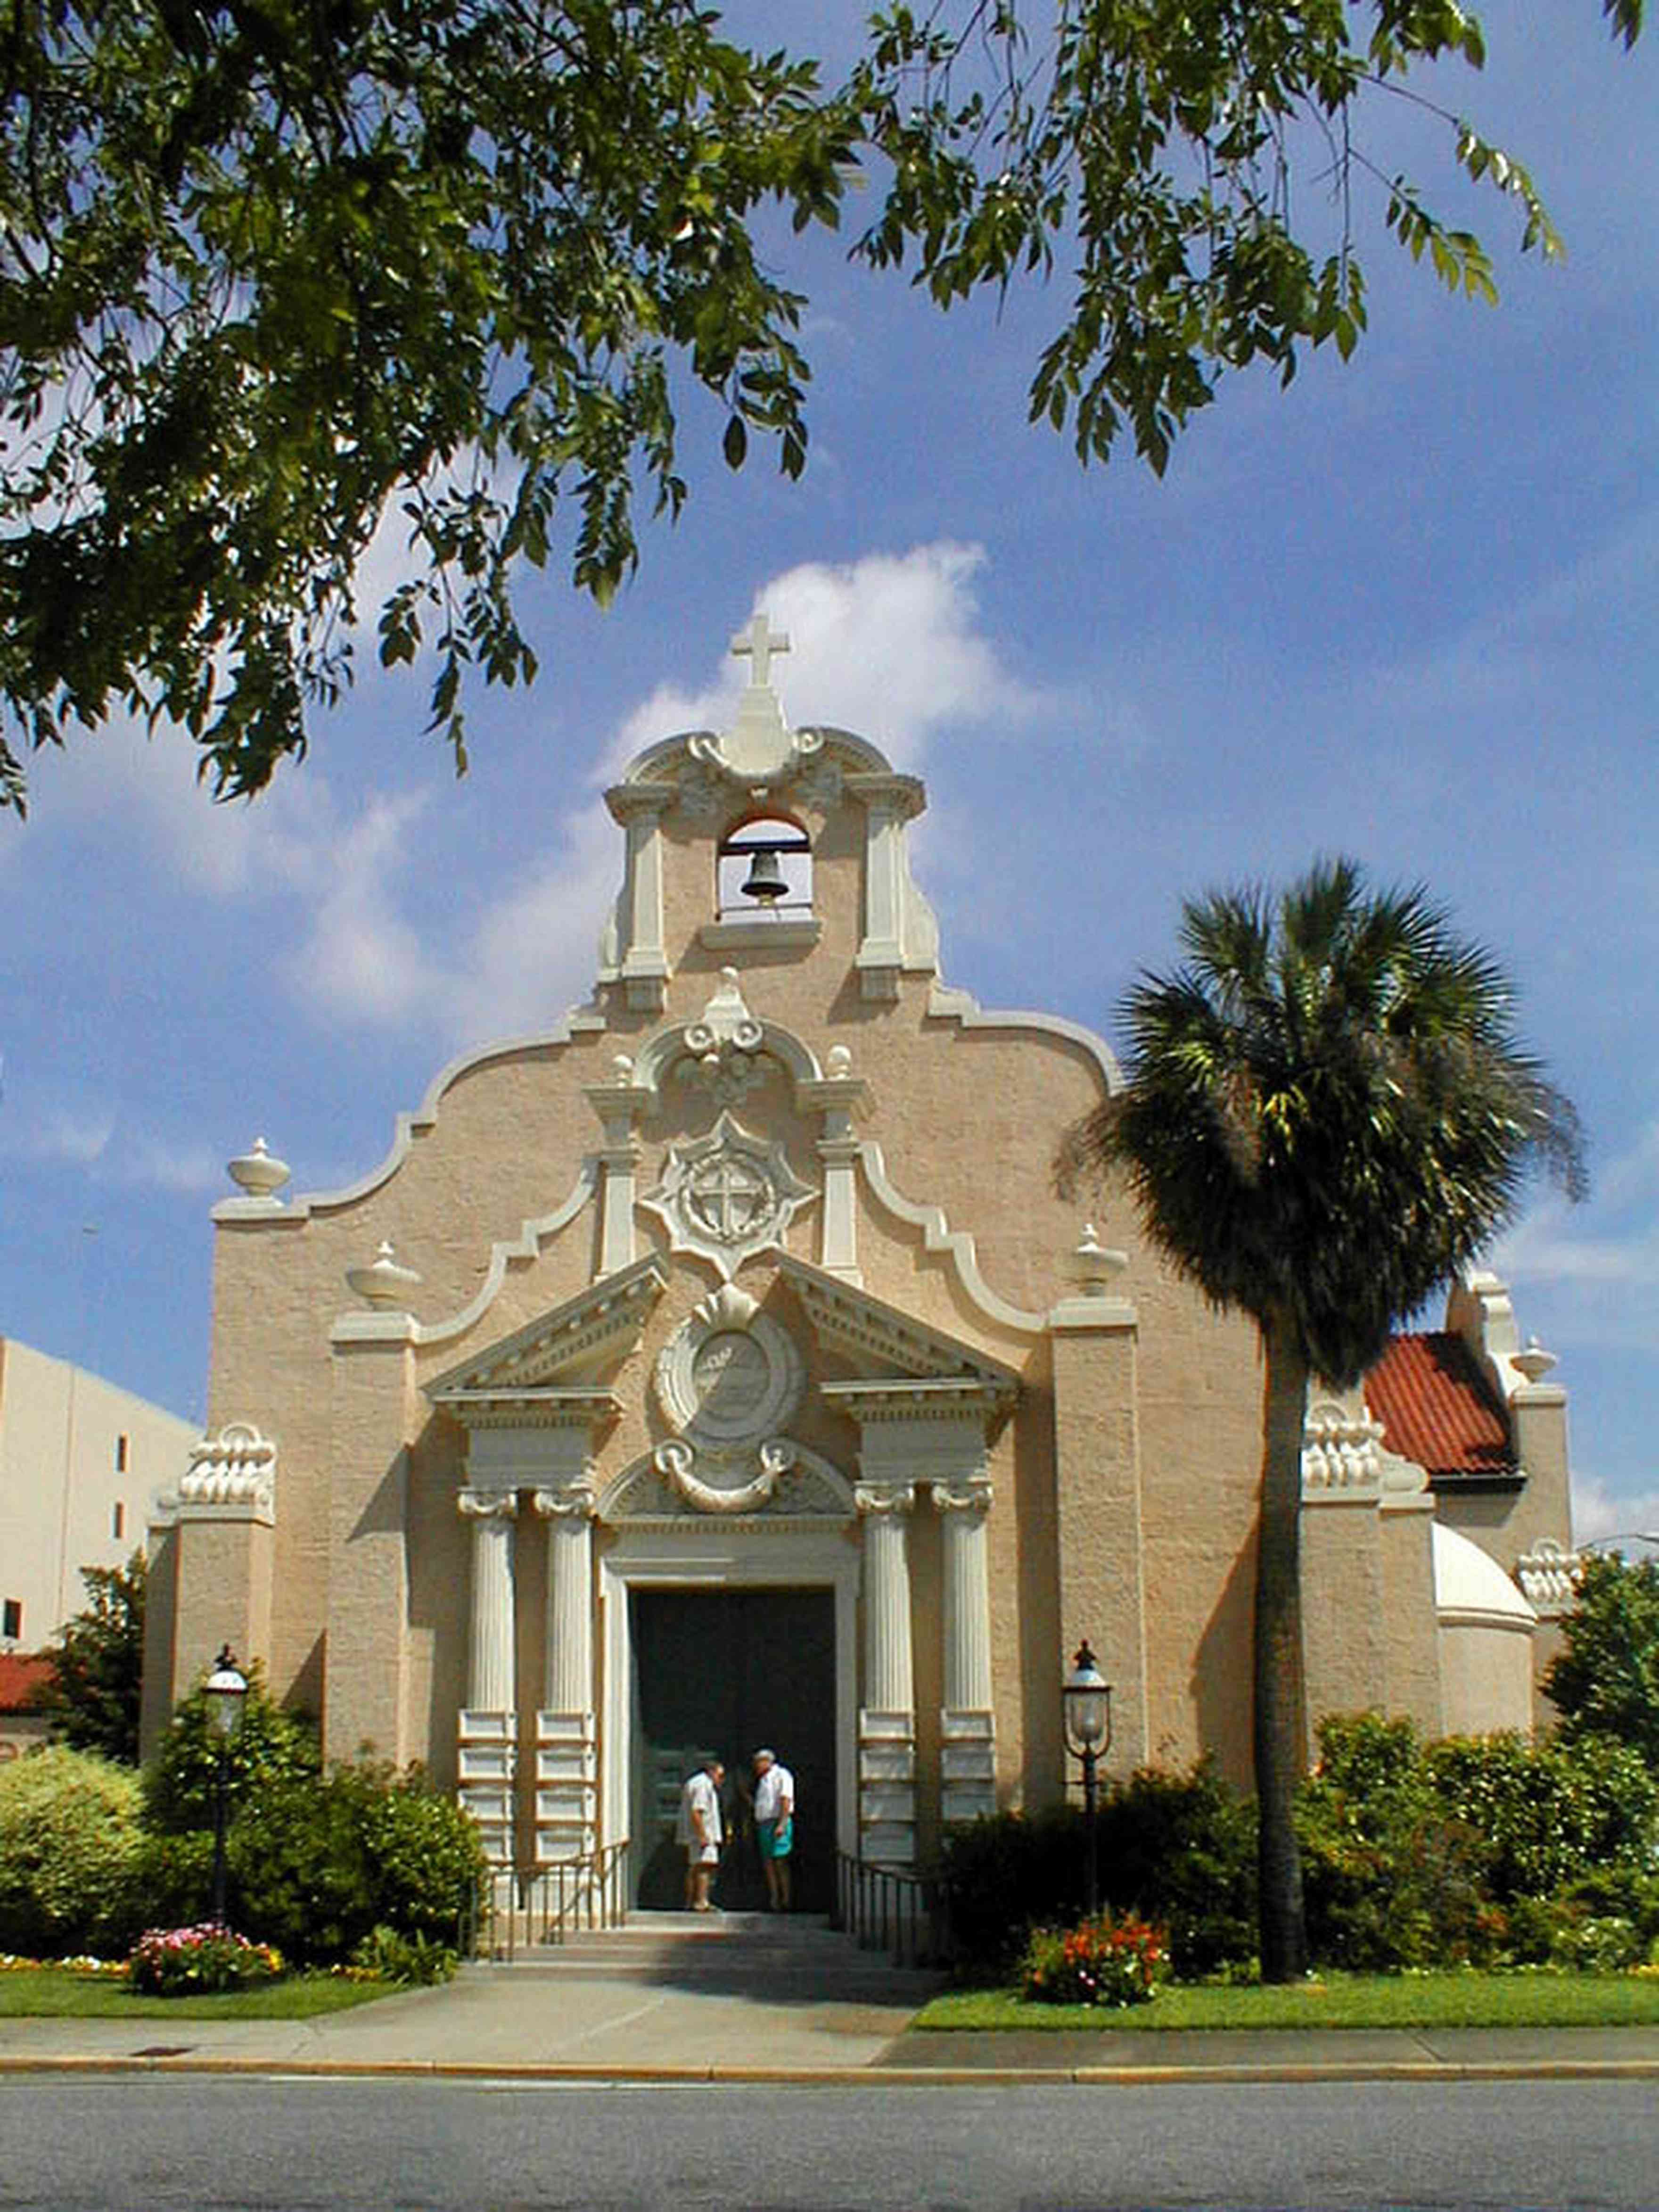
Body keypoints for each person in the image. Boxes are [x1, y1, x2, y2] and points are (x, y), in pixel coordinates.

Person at [676, 1756, 724, 1912]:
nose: (721, 1780)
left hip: (697, 1834)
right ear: (711, 1773)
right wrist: (703, 1835)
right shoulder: (704, 1786)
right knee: (704, 1866)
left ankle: (691, 1901)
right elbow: (697, 1811)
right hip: (703, 1834)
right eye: (720, 1775)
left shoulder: (695, 1783)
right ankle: (701, 1902)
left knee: (695, 1867)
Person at [751, 1747, 794, 1912]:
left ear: (767, 1762)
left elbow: (786, 1799)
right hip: (764, 1823)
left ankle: (786, 1899)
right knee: (768, 1862)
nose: (756, 1767)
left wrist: (783, 1823)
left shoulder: (782, 1775)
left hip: (778, 1822)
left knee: (780, 1861)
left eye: (758, 1763)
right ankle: (774, 1898)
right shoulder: (763, 1781)